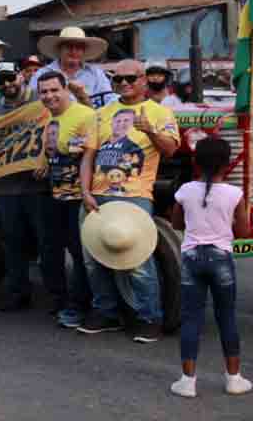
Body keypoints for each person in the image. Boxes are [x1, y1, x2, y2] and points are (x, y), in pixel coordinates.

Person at [78, 59, 179, 343]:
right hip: (97, 195)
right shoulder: (102, 113)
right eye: (117, 79)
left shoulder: (159, 112)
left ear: (144, 80)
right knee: (93, 259)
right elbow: (89, 156)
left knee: (137, 261)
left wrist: (149, 130)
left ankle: (150, 318)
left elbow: (170, 149)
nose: (123, 84)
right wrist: (84, 191)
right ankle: (105, 312)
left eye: (130, 78)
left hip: (134, 196)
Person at [169, 137, 252, 397]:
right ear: (226, 165)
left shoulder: (184, 191)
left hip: (192, 257)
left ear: (196, 162)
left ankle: (187, 381)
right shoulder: (234, 194)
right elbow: (243, 231)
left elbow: (176, 224)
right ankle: (234, 379)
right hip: (221, 259)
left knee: (191, 318)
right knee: (226, 317)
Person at [0, 62, 57, 312]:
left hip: (38, 185)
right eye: (0, 81)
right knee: (12, 242)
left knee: (47, 242)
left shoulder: (42, 101)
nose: (6, 84)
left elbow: (56, 129)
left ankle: (56, 295)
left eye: (10, 78)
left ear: (21, 76)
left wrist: (47, 159)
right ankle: (18, 293)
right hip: (6, 188)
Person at [36, 69, 96, 328]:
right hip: (53, 196)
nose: (49, 96)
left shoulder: (85, 115)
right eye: (44, 92)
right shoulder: (47, 119)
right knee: (49, 251)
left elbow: (89, 158)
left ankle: (78, 306)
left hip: (77, 199)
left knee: (80, 252)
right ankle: (59, 300)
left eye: (53, 90)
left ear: (65, 90)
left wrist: (85, 193)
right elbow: (48, 153)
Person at [31, 26, 115, 109]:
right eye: (69, 47)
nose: (73, 51)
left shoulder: (96, 73)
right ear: (60, 49)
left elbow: (109, 101)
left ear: (84, 51)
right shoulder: (42, 73)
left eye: (78, 47)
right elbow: (31, 105)